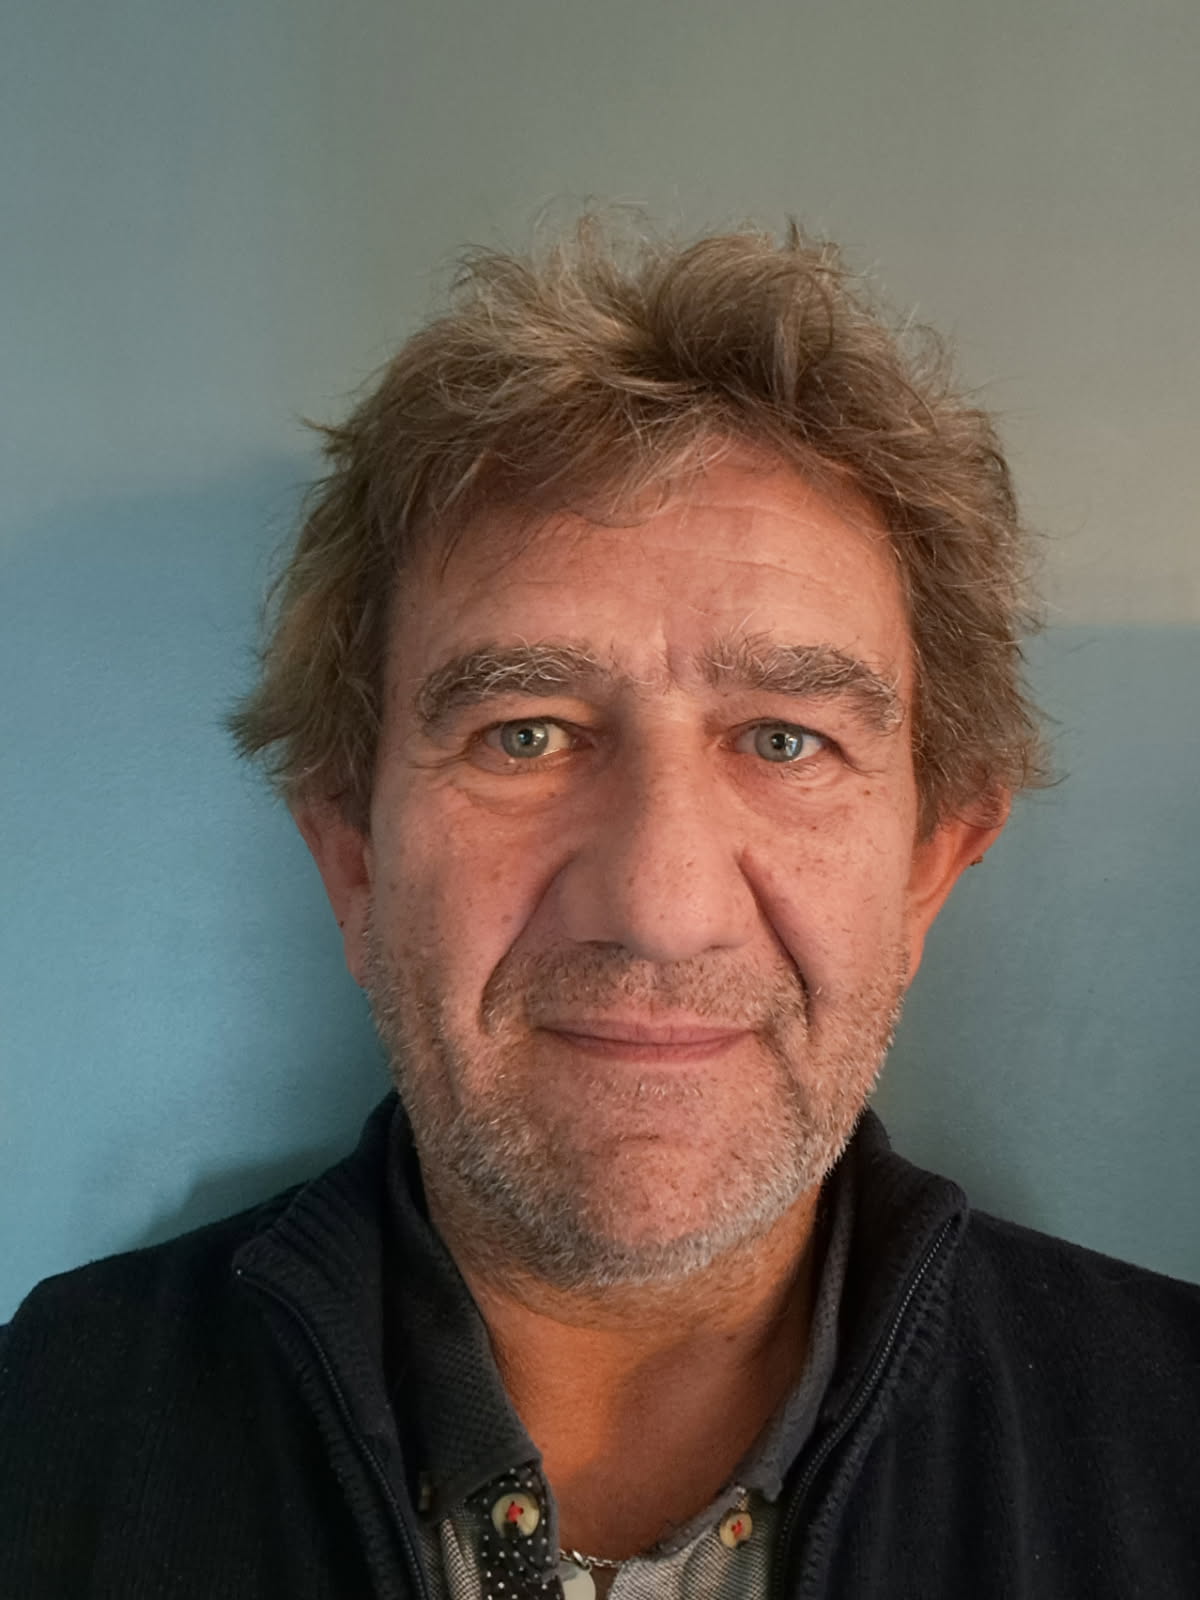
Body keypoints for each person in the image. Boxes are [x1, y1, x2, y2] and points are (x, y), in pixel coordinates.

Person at [1, 216, 1197, 1600]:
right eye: (524, 733)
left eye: (787, 738)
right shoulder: (46, 1436)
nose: (660, 907)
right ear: (352, 859)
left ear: (930, 866)